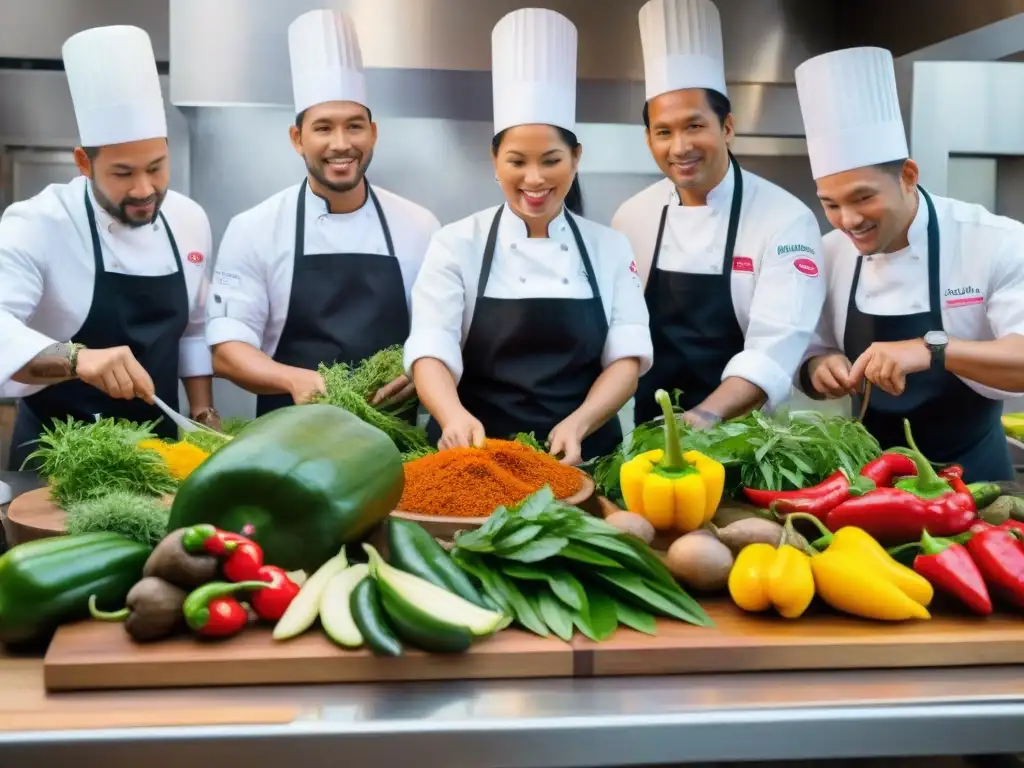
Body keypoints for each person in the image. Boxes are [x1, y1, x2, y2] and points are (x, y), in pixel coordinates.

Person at [404, 8, 653, 466]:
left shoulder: (609, 246)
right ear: (494, 159)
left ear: (576, 158)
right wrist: (452, 414)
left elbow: (627, 359)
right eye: (517, 161)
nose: (534, 179)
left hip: (585, 460)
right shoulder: (457, 242)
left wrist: (580, 423)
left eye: (551, 160)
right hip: (473, 460)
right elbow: (430, 346)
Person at [794, 46, 1024, 483]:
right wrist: (817, 368)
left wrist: (931, 349)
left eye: (863, 197)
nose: (849, 220)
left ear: (908, 175)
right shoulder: (827, 253)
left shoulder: (992, 240)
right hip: (867, 485)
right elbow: (809, 350)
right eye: (831, 204)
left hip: (978, 484)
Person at [0, 25, 217, 471]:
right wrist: (78, 359)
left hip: (160, 456)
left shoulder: (189, 218)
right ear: (84, 163)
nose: (145, 189)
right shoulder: (37, 224)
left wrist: (201, 414)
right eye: (122, 173)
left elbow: (195, 329)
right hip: (57, 457)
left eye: (156, 168)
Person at [206, 9, 440, 415]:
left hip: (396, 445)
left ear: (374, 132)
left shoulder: (420, 226)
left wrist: (420, 369)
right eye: (323, 128)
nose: (341, 143)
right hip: (288, 444)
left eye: (354, 126)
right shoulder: (254, 228)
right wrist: (289, 378)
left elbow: (442, 333)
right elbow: (227, 351)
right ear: (297, 138)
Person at [611, 0, 826, 428]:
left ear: (727, 127)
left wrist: (704, 417)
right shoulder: (631, 217)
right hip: (652, 436)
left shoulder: (785, 219)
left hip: (749, 439)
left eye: (694, 126)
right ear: (649, 138)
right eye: (663, 132)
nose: (679, 147)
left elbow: (775, 346)